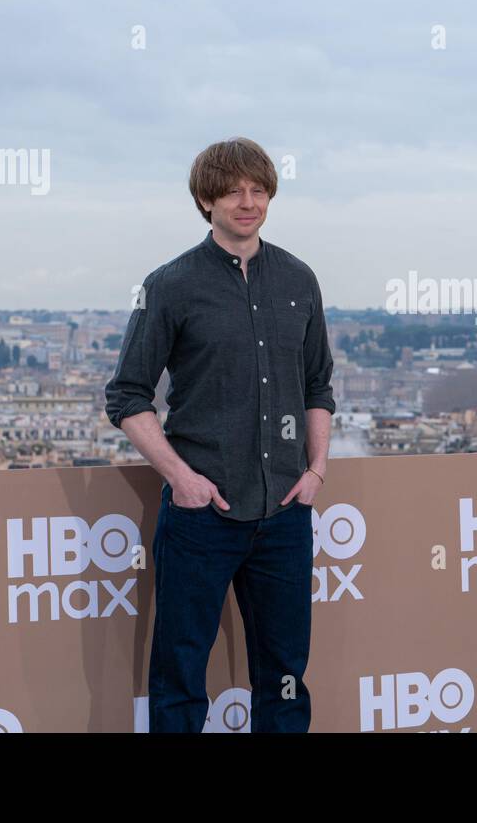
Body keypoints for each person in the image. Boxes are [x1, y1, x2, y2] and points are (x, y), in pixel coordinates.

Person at [104, 137, 335, 732]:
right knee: (180, 678)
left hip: (284, 512)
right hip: (201, 515)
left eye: (259, 189)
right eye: (233, 190)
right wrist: (181, 478)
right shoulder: (170, 285)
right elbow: (126, 394)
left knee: (284, 677)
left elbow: (318, 386)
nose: (248, 201)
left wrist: (316, 471)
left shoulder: (299, 279)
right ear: (206, 200)